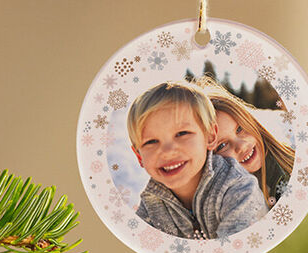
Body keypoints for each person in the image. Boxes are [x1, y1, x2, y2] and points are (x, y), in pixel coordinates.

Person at [127, 80, 268, 240]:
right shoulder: (151, 205)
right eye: (151, 142)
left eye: (182, 134)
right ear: (139, 156)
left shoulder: (238, 188)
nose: (167, 152)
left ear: (210, 136)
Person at [199, 78, 296, 207]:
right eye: (222, 145)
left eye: (239, 129)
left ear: (250, 121)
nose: (241, 146)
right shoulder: (223, 201)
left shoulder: (290, 174)